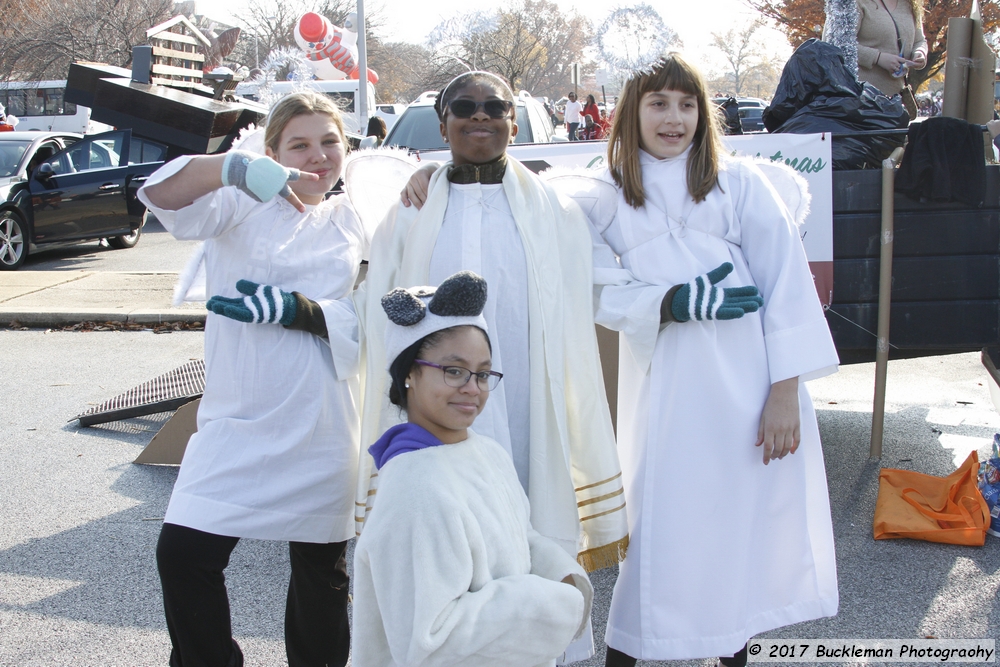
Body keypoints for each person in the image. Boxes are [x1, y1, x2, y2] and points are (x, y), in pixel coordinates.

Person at [356, 71, 628, 664]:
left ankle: (536, 639)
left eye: (495, 108)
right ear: (442, 118)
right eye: (465, 107)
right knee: (442, 546)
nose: (480, 118)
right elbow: (376, 302)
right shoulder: (410, 211)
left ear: (513, 118)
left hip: (527, 395)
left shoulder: (553, 207)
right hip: (439, 408)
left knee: (524, 516)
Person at [593, 53, 840, 667]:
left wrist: (785, 393)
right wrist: (668, 301)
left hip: (751, 387)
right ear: (631, 113)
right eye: (658, 103)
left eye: (686, 103)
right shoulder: (604, 196)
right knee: (662, 527)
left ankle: (734, 650)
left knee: (742, 522)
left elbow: (787, 288)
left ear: (704, 113)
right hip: (671, 387)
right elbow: (593, 285)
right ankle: (635, 647)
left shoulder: (743, 184)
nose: (673, 118)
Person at [138, 91, 366, 667]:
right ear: (271, 152)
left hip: (322, 421)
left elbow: (384, 313)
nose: (318, 157)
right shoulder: (237, 204)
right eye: (300, 144)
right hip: (236, 420)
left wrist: (302, 312)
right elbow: (161, 195)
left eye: (329, 142)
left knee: (321, 574)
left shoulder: (356, 217)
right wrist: (234, 168)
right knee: (184, 555)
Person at [353, 271, 594, 667]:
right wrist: (553, 605)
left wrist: (565, 578)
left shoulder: (487, 452)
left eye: (483, 373)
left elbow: (522, 540)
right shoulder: (415, 489)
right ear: (409, 373)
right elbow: (430, 642)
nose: (473, 387)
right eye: (454, 370)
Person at [825, 0, 927, 95]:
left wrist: (920, 52)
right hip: (859, 99)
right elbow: (835, 43)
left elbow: (919, 40)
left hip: (896, 102)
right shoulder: (851, 2)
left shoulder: (910, 3)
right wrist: (877, 57)